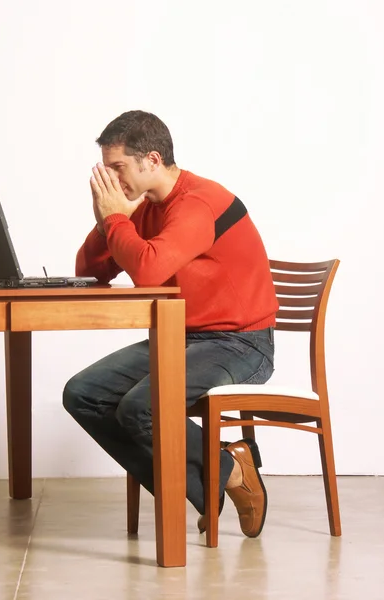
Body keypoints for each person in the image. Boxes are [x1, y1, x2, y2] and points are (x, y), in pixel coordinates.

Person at [63, 110, 278, 538]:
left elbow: (148, 270)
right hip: (181, 338)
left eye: (118, 168)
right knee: (83, 394)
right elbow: (89, 269)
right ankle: (222, 476)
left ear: (152, 160)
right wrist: (106, 217)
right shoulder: (142, 207)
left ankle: (224, 474)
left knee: (141, 408)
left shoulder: (198, 202)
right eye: (106, 171)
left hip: (240, 344)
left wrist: (117, 219)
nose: (111, 180)